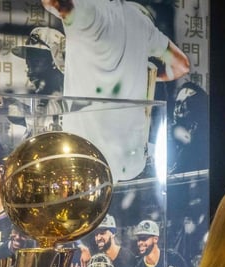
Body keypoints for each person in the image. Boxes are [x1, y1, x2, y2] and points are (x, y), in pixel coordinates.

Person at [41, 0, 189, 181]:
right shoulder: (140, 21)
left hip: (83, 162)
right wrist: (145, 76)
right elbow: (181, 65)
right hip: (130, 166)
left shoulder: (87, 9)